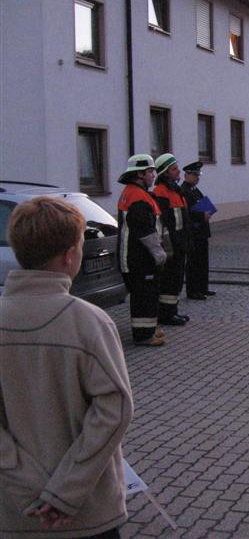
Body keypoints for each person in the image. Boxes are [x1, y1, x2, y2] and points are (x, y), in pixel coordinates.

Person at [0, 196, 134, 538]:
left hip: (17, 513)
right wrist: (64, 492)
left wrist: (30, 488)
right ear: (70, 256)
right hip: (89, 512)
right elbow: (114, 411)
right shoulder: (89, 322)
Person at [117, 154, 167, 346]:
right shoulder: (138, 197)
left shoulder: (134, 193)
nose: (154, 175)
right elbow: (144, 230)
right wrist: (159, 253)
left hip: (135, 256)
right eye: (150, 171)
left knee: (145, 294)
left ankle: (148, 330)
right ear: (139, 174)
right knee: (144, 296)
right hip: (139, 257)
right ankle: (144, 335)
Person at [153, 153, 190, 325]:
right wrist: (169, 246)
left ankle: (172, 311)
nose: (178, 171)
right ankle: (166, 314)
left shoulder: (175, 190)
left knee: (177, 279)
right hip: (171, 244)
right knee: (169, 280)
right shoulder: (160, 192)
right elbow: (164, 223)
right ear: (165, 172)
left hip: (179, 242)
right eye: (174, 169)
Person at [181, 161, 215, 300]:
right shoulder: (184, 191)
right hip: (194, 232)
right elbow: (187, 212)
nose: (197, 178)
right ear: (187, 175)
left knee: (202, 261)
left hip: (201, 231)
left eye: (198, 175)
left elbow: (203, 204)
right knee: (194, 262)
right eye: (195, 175)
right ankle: (193, 290)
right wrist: (202, 215)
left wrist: (208, 211)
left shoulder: (195, 190)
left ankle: (202, 287)